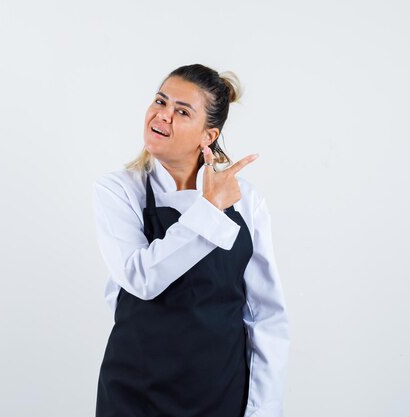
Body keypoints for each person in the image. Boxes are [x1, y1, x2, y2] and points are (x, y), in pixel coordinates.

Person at [92, 64, 290, 417]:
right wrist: (211, 211)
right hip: (135, 394)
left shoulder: (246, 200)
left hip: (221, 395)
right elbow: (141, 278)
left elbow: (266, 315)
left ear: (207, 136)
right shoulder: (120, 190)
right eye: (160, 101)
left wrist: (263, 410)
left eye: (182, 111)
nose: (162, 115)